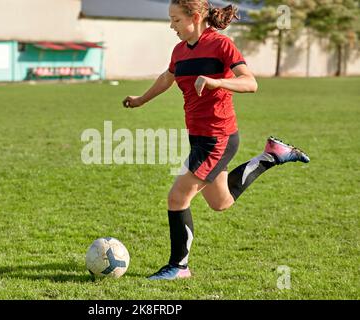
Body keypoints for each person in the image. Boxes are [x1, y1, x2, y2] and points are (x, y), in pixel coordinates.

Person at [122, 0, 310, 280]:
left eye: (175, 20)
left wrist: (217, 82)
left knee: (177, 197)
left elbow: (250, 82)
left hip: (218, 138)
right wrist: (140, 100)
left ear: (195, 17)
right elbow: (167, 77)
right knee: (220, 202)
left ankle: (179, 267)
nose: (171, 26)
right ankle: (272, 155)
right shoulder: (180, 50)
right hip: (198, 137)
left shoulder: (221, 45)